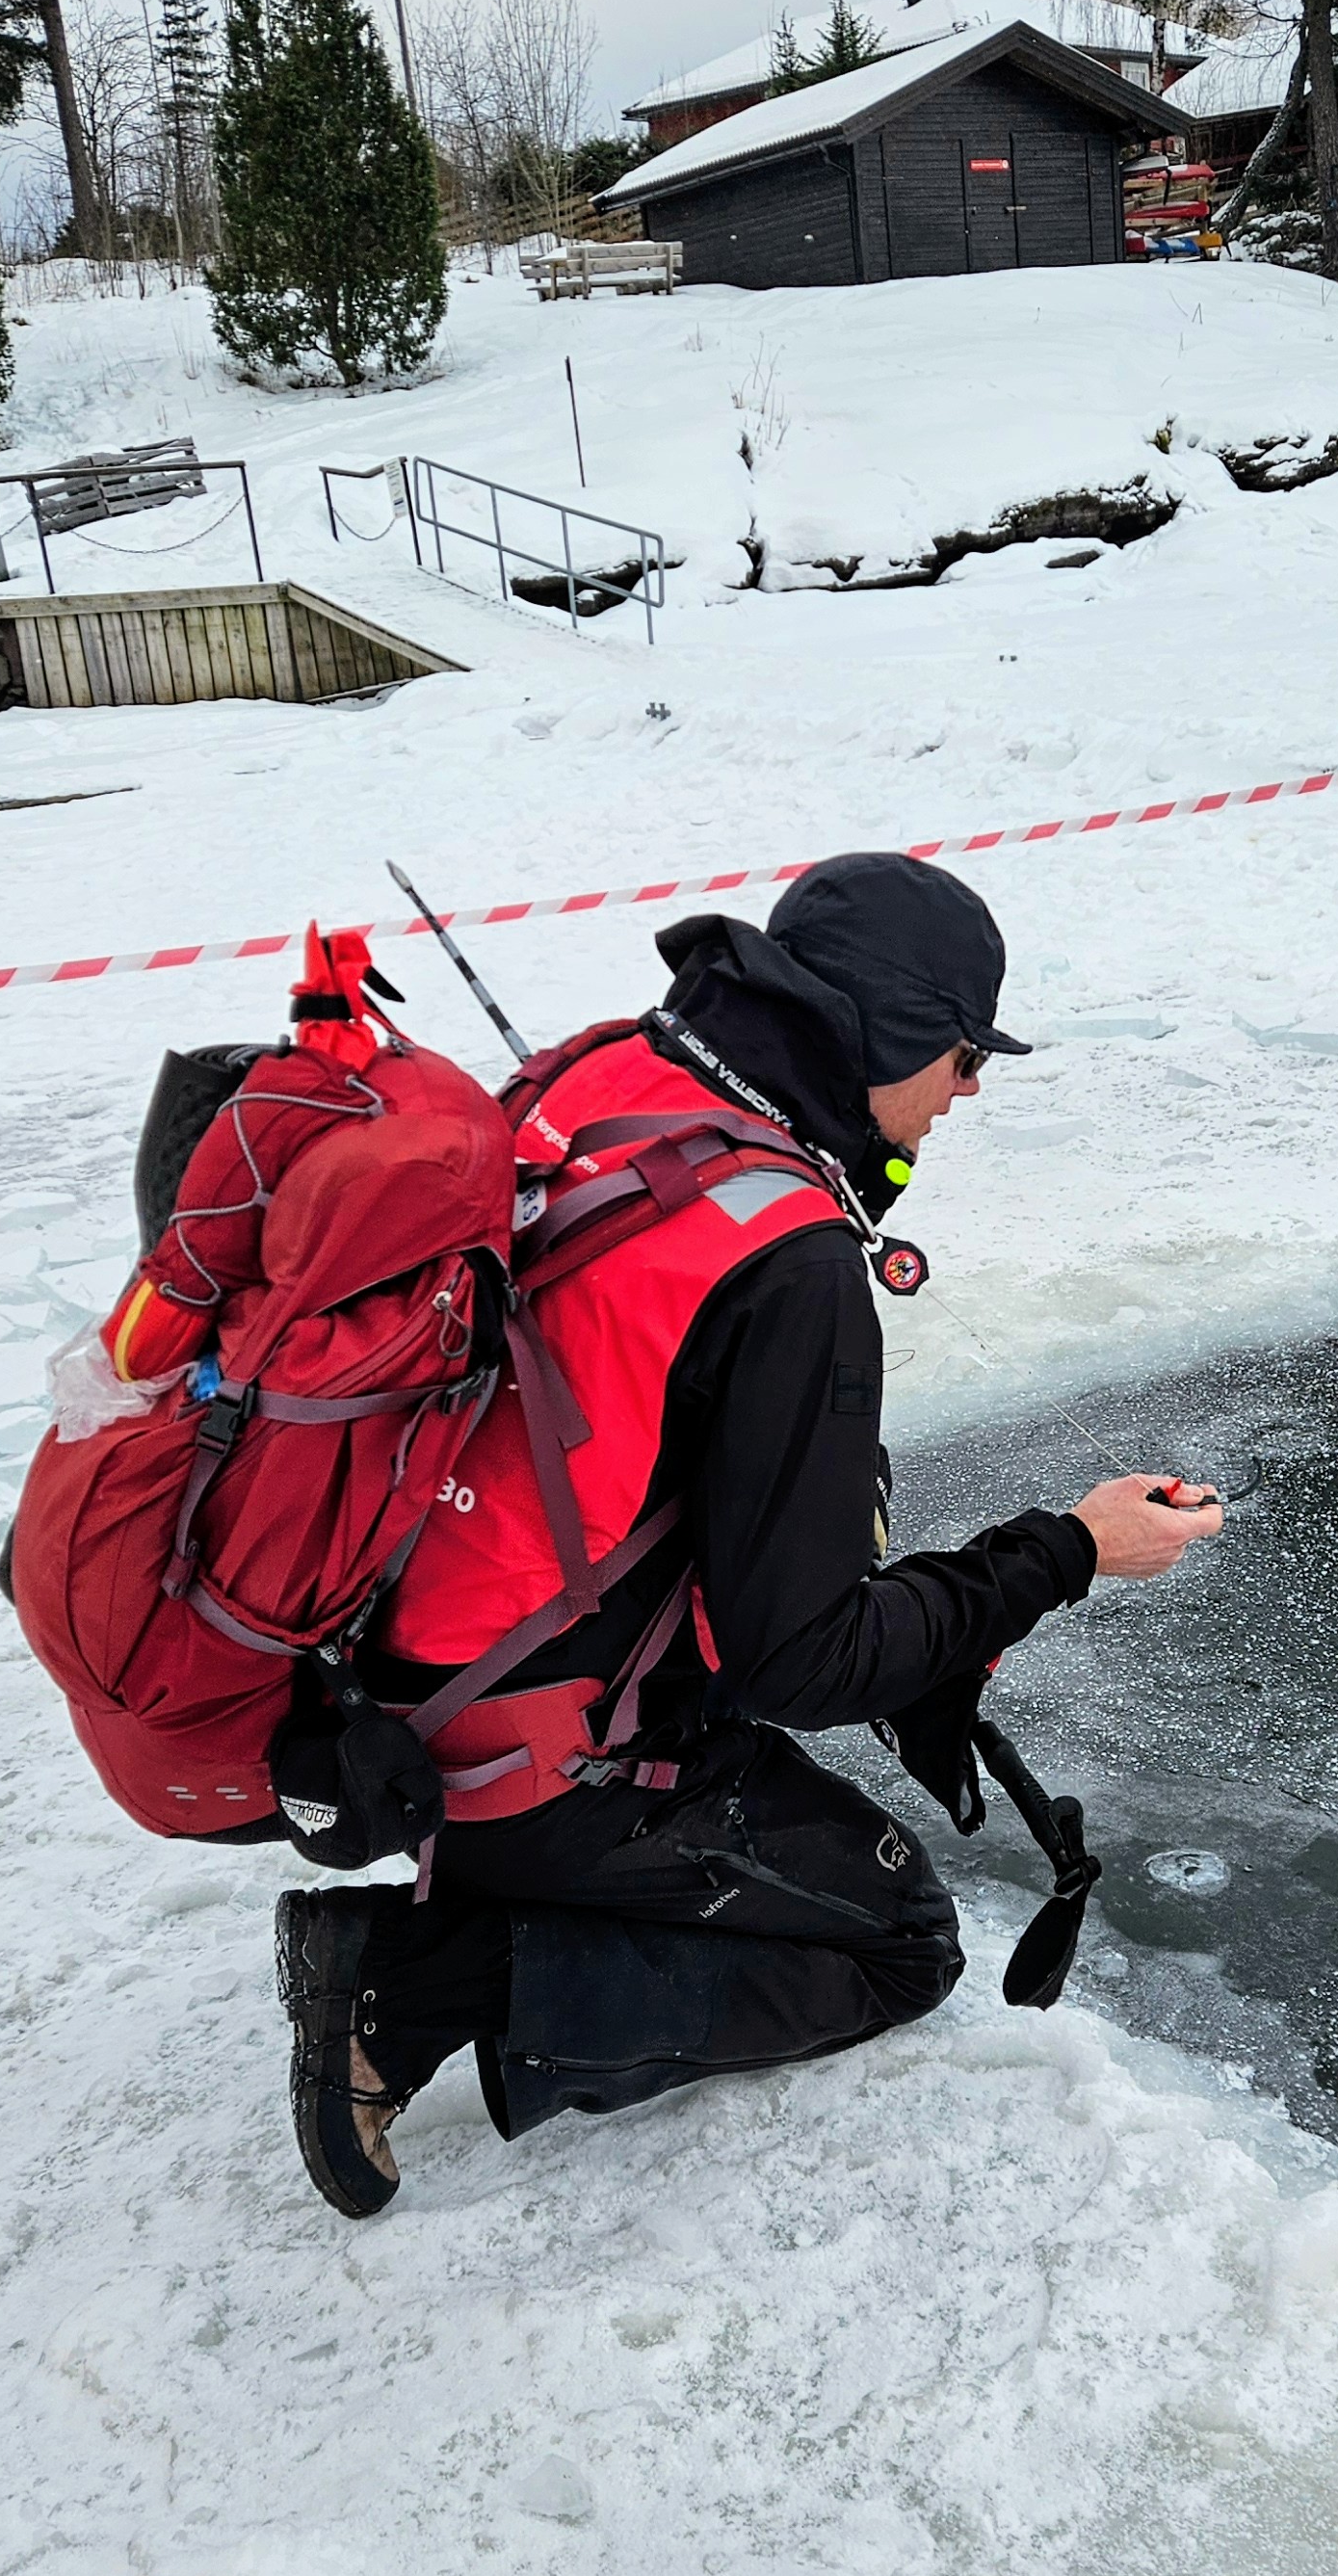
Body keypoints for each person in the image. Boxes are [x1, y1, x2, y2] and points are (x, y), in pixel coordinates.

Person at [273, 853, 1220, 2214]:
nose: (968, 1090)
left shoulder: (608, 1076)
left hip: (386, 1684)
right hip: (522, 1755)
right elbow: (802, 1662)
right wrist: (1068, 1552)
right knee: (896, 1940)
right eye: (962, 1055)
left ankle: (466, 1904)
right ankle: (412, 1982)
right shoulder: (786, 1257)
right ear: (889, 1032)